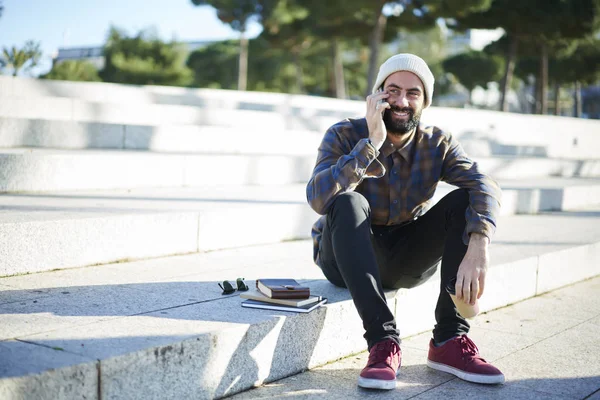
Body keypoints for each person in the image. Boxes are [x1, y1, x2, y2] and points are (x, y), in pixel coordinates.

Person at [306, 53, 504, 390]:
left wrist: (480, 243)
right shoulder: (343, 134)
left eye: (413, 93)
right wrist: (371, 143)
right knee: (349, 201)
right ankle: (383, 342)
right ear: (377, 95)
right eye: (392, 90)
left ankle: (449, 340)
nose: (401, 101)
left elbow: (485, 184)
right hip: (342, 255)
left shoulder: (437, 142)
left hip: (404, 259)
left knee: (463, 199)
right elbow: (318, 199)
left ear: (425, 101)